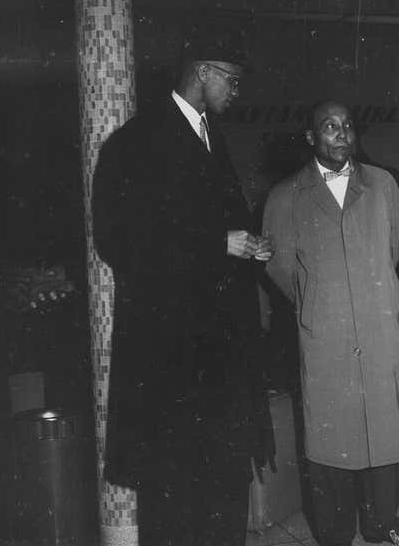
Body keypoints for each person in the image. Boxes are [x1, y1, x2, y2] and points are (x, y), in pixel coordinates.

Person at [92, 29, 275, 546]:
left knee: (222, 483)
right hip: (170, 353)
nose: (236, 91)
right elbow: (118, 240)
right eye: (231, 80)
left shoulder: (212, 137)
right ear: (202, 72)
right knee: (174, 490)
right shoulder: (137, 140)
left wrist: (250, 248)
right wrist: (218, 244)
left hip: (219, 351)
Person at [262, 100, 399, 546]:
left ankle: (384, 523)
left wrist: (371, 299)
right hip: (325, 332)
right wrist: (322, 301)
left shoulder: (383, 185)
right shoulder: (284, 195)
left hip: (377, 328)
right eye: (329, 127)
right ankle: (335, 535)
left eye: (347, 126)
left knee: (385, 432)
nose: (341, 134)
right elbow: (281, 268)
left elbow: (392, 247)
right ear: (311, 136)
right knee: (330, 438)